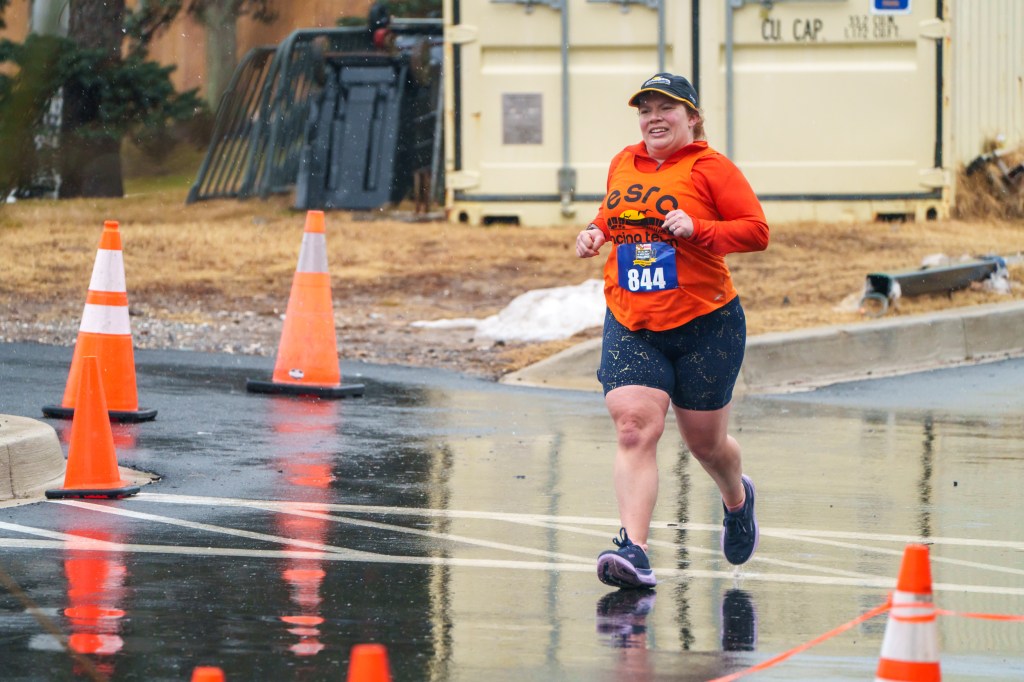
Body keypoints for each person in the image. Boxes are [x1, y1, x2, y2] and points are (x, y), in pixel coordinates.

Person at [575, 73, 769, 589]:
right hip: (633, 320)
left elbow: (756, 230)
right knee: (634, 426)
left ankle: (737, 498)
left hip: (707, 324)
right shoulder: (623, 161)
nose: (654, 118)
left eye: (667, 108)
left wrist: (700, 229)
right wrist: (597, 231)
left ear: (692, 117)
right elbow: (613, 212)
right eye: (646, 109)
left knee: (706, 445)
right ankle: (633, 550)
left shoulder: (711, 167)